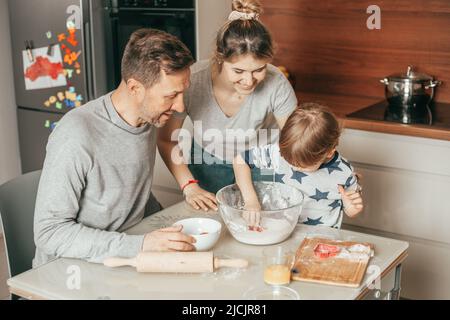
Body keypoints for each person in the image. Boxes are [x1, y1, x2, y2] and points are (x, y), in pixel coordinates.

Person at [33, 28, 197, 267]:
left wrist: (170, 228)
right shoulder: (76, 134)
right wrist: (140, 245)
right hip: (68, 270)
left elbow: (128, 191)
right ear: (134, 88)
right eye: (171, 95)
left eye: (183, 93)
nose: (180, 105)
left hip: (119, 256)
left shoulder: (149, 118)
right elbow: (49, 233)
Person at [157, 0, 298, 212]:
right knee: (216, 224)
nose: (249, 81)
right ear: (220, 58)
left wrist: (330, 167)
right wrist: (189, 186)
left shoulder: (276, 83)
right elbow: (167, 140)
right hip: (208, 161)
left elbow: (298, 143)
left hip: (263, 162)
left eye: (259, 69)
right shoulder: (193, 81)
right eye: (239, 71)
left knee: (267, 220)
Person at [233, 103, 364, 229]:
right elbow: (239, 160)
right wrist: (250, 200)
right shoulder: (279, 153)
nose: (293, 167)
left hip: (321, 239)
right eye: (288, 160)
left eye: (302, 165)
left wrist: (352, 209)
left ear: (329, 152)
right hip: (281, 231)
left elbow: (351, 211)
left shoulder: (344, 173)